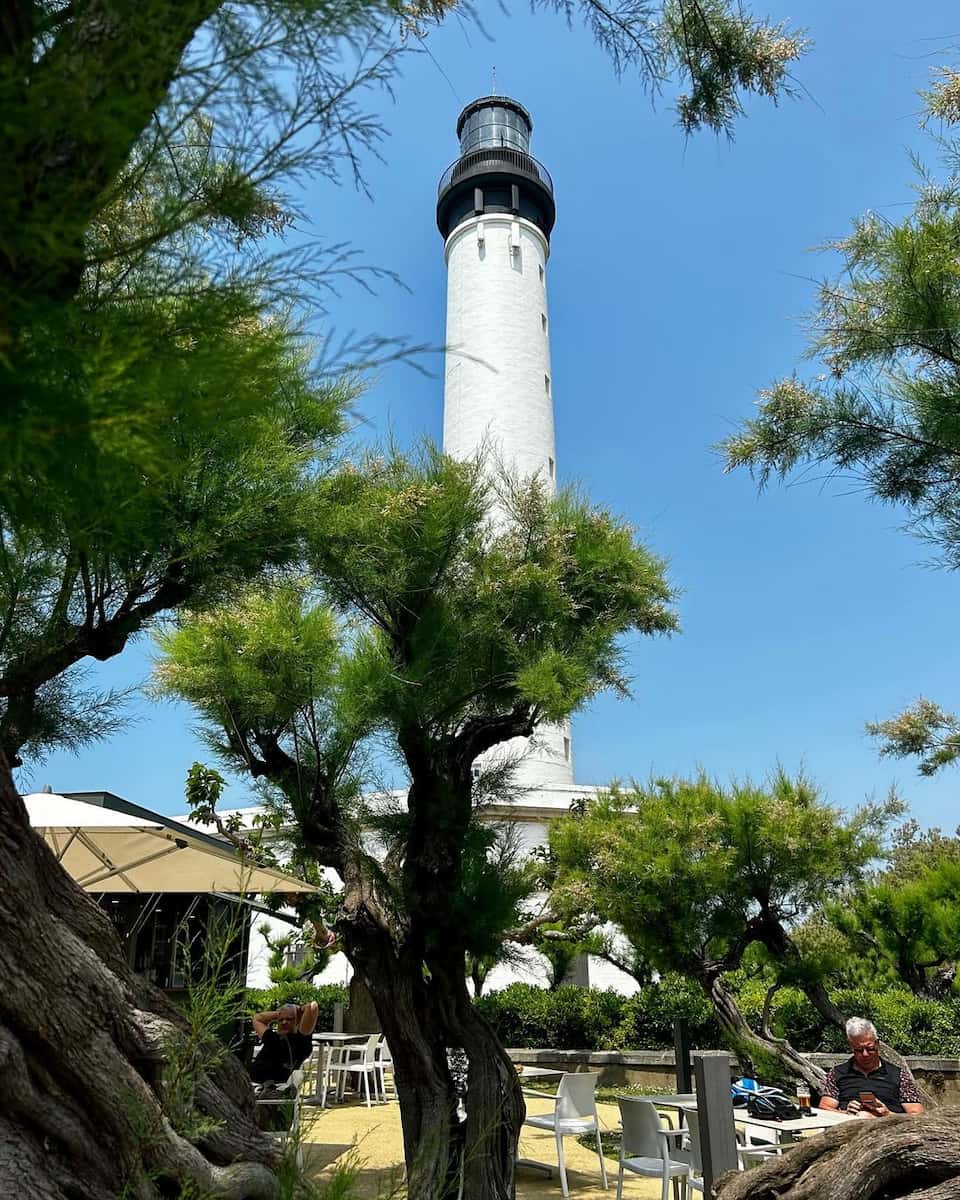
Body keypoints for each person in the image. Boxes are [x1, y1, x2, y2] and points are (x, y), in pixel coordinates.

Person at [818, 1017, 924, 1117]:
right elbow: (824, 1108)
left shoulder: (899, 1075)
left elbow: (917, 1115)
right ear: (851, 1046)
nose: (865, 1054)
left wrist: (888, 1114)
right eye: (859, 1050)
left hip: (888, 1130)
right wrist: (845, 1113)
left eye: (870, 1049)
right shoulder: (838, 1073)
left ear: (877, 1044)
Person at [249, 999, 320, 1087]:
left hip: (276, 1086)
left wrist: (300, 1010)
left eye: (289, 1019)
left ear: (297, 1020)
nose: (284, 1022)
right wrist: (279, 1013)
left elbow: (313, 1006)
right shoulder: (272, 1037)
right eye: (281, 1020)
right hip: (251, 1082)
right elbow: (257, 1018)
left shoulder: (301, 1039)